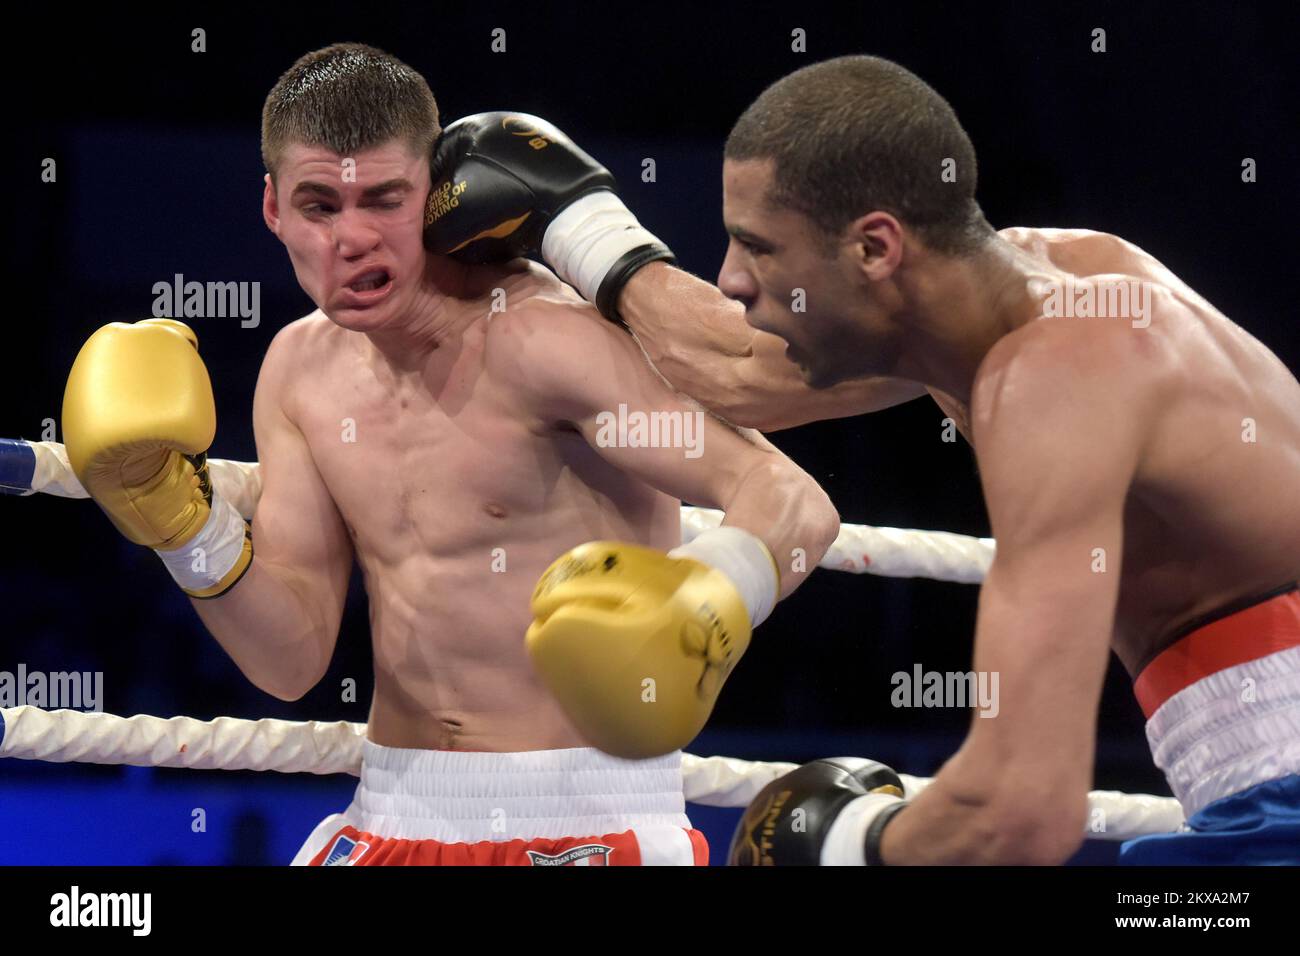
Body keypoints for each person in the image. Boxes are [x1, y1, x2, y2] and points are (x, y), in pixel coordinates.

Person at [427, 55, 1300, 864]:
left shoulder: (1054, 378)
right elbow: (736, 371)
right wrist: (579, 223)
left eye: (760, 248)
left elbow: (1022, 809)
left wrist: (850, 840)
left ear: (876, 249)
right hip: (1249, 797)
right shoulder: (1029, 283)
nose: (730, 278)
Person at [59, 43, 839, 867]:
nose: (352, 238)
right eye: (319, 205)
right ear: (272, 209)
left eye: (384, 200)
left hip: (584, 818)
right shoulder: (298, 372)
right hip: (388, 813)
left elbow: (789, 498)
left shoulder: (542, 337)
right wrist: (180, 525)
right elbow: (288, 662)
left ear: (433, 194)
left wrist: (707, 597)